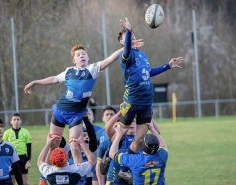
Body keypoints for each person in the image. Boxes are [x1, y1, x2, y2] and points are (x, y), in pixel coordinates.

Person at [24, 42, 143, 165]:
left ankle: (78, 178)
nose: (82, 56)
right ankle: (49, 176)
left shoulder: (92, 69)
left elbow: (110, 59)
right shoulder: (69, 71)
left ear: (88, 57)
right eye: (78, 55)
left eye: (84, 54)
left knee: (75, 146)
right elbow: (54, 79)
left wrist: (127, 47)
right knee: (54, 143)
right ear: (74, 60)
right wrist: (35, 82)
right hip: (60, 110)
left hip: (76, 114)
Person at [113, 17, 183, 157]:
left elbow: (148, 72)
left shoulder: (143, 55)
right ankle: (111, 160)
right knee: (120, 134)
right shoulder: (125, 55)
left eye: (132, 34)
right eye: (127, 35)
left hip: (146, 103)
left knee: (139, 139)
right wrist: (128, 30)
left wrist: (167, 66)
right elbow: (127, 50)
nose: (131, 35)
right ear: (122, 41)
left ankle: (126, 170)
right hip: (131, 101)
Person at [109, 120, 168, 185]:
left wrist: (119, 134)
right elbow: (163, 145)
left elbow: (112, 153)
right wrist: (152, 129)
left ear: (142, 146)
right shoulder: (162, 156)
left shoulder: (135, 160)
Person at [3, 113, 32, 185]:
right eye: (14, 120)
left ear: (20, 121)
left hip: (22, 158)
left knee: (24, 182)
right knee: (12, 182)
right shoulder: (7, 133)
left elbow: (29, 147)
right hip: (11, 158)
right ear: (11, 121)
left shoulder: (25, 132)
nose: (16, 121)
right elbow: (4, 147)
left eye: (18, 119)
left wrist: (28, 160)